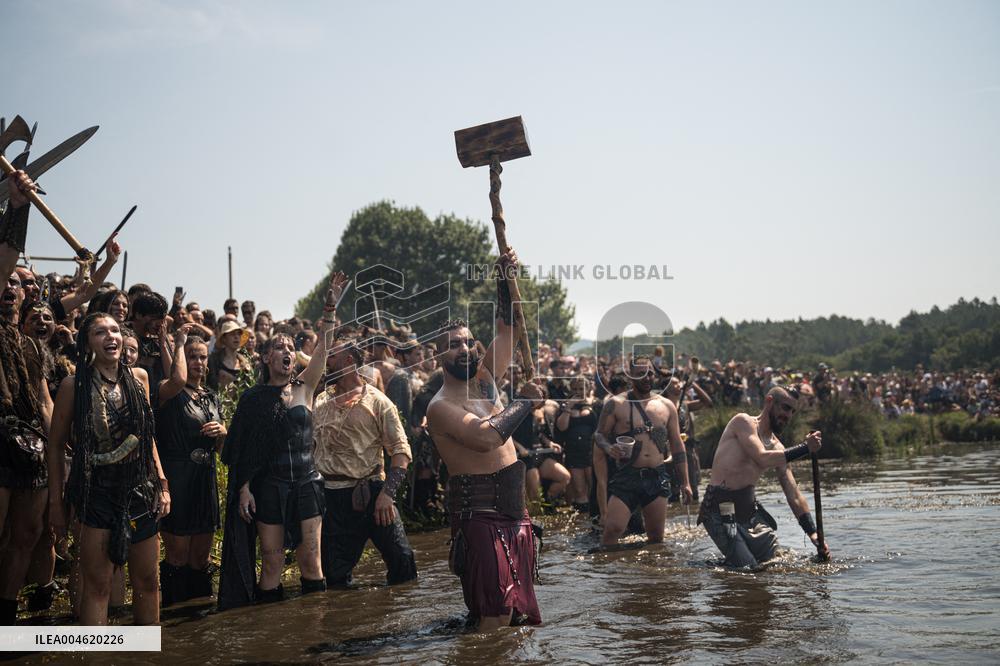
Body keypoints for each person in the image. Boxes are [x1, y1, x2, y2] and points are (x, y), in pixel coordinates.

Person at [426, 249, 543, 630]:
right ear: (437, 354)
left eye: (468, 341)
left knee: (517, 619)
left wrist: (504, 277)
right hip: (479, 516)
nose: (465, 348)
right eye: (454, 344)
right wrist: (525, 401)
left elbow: (508, 329)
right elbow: (487, 438)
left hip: (513, 511)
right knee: (495, 615)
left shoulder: (485, 379)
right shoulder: (440, 406)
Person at [217, 277, 339, 610]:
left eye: (290, 347)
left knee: (311, 563)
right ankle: (268, 636)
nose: (286, 351)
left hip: (306, 484)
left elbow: (324, 349)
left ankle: (312, 632)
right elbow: (241, 450)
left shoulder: (305, 388)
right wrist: (243, 488)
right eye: (279, 348)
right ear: (266, 357)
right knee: (271, 565)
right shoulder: (253, 399)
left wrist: (329, 310)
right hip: (269, 486)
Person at [47, 312, 171, 625]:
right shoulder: (72, 386)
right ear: (87, 342)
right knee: (98, 585)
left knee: (148, 583)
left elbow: (147, 437)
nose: (111, 337)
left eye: (115, 330)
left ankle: (146, 653)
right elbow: (56, 446)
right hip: (95, 491)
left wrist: (162, 484)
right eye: (100, 332)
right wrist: (56, 506)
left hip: (139, 488)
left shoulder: (139, 377)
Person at [313, 290, 417, 587]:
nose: (325, 360)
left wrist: (387, 495)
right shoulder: (320, 400)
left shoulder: (377, 401)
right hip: (332, 498)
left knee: (403, 562)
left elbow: (400, 452)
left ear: (347, 359)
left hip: (373, 493)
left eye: (330, 355)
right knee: (334, 576)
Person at [0, 171, 56, 624]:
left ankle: (7, 617)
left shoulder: (33, 345)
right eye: (5, 281)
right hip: (0, 442)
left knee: (29, 533)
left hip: (33, 445)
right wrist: (17, 209)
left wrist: (61, 449)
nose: (10, 288)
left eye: (19, 284)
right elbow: (5, 258)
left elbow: (43, 402)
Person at [698, 386, 831, 567]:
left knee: (777, 563)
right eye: (784, 407)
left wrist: (813, 533)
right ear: (769, 402)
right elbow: (761, 456)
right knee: (748, 568)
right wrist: (805, 448)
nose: (788, 415)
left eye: (792, 411)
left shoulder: (778, 448)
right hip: (721, 512)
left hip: (750, 514)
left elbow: (794, 494)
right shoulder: (743, 422)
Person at [156, 334, 226, 606]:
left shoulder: (211, 397)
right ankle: (173, 614)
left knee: (200, 558)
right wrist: (175, 343)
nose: (198, 361)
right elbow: (174, 380)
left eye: (202, 356)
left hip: (204, 480)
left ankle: (200, 618)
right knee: (178, 557)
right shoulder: (169, 391)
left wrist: (223, 431)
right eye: (192, 356)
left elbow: (223, 449)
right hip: (178, 479)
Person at [594, 356, 692, 547]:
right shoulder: (615, 404)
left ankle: (650, 575)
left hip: (656, 475)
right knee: (612, 531)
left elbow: (677, 445)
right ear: (630, 376)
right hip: (627, 476)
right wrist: (608, 447)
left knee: (656, 538)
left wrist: (685, 483)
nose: (647, 377)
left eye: (650, 373)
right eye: (641, 374)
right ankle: (610, 574)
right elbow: (599, 434)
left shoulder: (666, 405)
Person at [555, 375, 598, 511]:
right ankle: (581, 519)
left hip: (591, 450)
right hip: (573, 451)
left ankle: (595, 517)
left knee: (594, 487)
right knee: (579, 489)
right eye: (575, 389)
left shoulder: (596, 404)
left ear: (588, 389)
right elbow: (561, 427)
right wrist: (569, 406)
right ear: (570, 390)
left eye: (581, 388)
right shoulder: (565, 406)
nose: (579, 391)